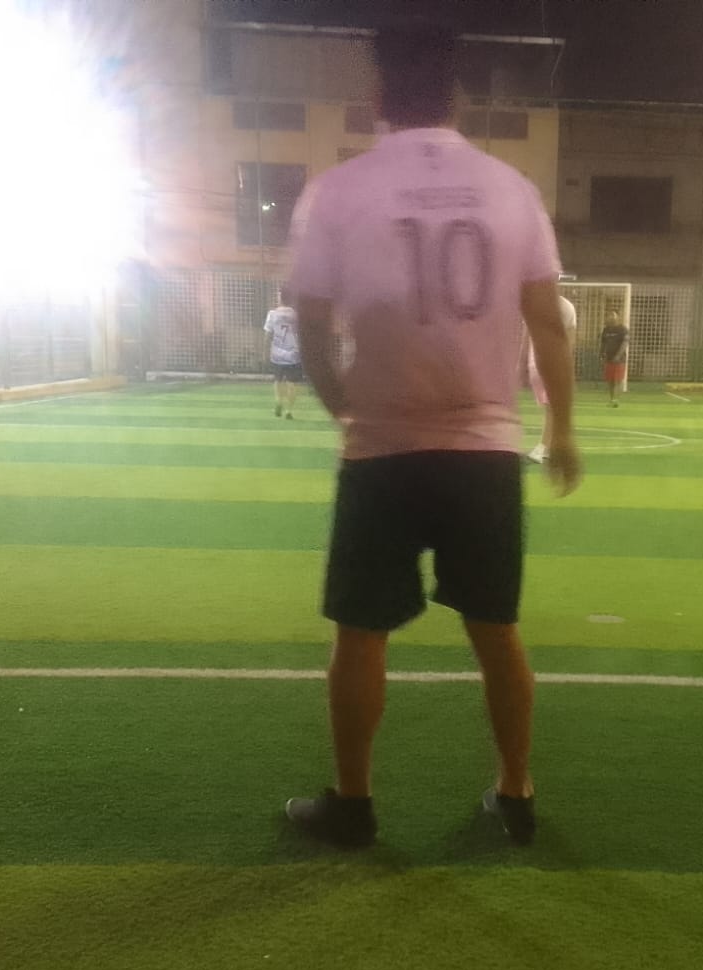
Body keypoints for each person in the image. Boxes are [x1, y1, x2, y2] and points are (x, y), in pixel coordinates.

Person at [281, 23, 581, 850]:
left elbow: (309, 322)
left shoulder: (339, 191)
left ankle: (353, 806)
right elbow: (548, 322)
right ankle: (515, 794)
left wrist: (342, 405)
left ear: (378, 95)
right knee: (496, 630)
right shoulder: (510, 189)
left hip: (381, 447)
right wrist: (560, 429)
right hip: (484, 449)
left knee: (360, 634)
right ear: (458, 99)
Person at [526, 293, 576, 464]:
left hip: (548, 363)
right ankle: (549, 449)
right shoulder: (536, 304)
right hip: (537, 364)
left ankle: (542, 448)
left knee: (551, 407)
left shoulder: (564, 307)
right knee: (550, 407)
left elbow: (569, 339)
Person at [263, 290, 304, 418]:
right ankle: (289, 411)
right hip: (293, 354)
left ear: (279, 298)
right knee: (292, 382)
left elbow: (268, 335)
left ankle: (278, 401)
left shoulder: (272, 314)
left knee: (278, 379)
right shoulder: (296, 315)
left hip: (277, 354)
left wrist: (265, 352)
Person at [599, 310, 629, 407]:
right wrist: (601, 354)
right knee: (610, 380)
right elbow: (603, 343)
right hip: (609, 358)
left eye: (613, 315)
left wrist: (618, 355)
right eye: (609, 315)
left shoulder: (623, 329)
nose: (611, 317)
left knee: (618, 380)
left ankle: (616, 399)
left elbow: (624, 343)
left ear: (618, 317)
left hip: (619, 360)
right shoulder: (606, 329)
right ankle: (612, 399)